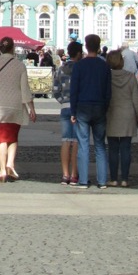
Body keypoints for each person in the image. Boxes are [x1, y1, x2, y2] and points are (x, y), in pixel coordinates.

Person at [0, 36, 35, 182]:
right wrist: (31, 108)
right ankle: (10, 163)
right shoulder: (20, 65)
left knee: (1, 139)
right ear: (13, 48)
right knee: (12, 136)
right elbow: (25, 89)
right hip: (14, 106)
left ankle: (3, 170)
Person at [69, 32, 111, 189]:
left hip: (83, 107)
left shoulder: (80, 66)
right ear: (99, 47)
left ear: (86, 47)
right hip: (100, 107)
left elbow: (74, 90)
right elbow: (108, 91)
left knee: (83, 144)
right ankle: (102, 181)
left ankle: (84, 180)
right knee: (100, 145)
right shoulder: (104, 66)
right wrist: (105, 107)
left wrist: (73, 111)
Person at [105, 49, 138, 186]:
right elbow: (136, 100)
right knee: (126, 148)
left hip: (112, 114)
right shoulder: (130, 76)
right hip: (128, 115)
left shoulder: (107, 76)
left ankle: (113, 178)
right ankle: (125, 178)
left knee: (113, 149)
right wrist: (137, 117)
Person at [53, 40, 81, 185]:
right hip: (78, 108)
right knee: (76, 141)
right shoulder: (82, 69)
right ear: (78, 53)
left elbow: (55, 90)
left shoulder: (60, 69)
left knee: (65, 140)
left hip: (65, 107)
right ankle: (74, 174)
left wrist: (63, 101)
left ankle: (65, 175)